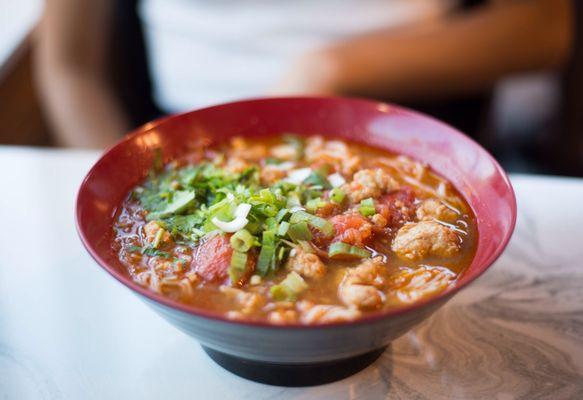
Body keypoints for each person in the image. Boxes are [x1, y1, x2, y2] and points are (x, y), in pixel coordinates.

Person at [36, 0, 572, 149]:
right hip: (183, 148)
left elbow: (542, 26)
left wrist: (333, 66)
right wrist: (122, 199)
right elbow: (68, 66)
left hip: (407, 139)